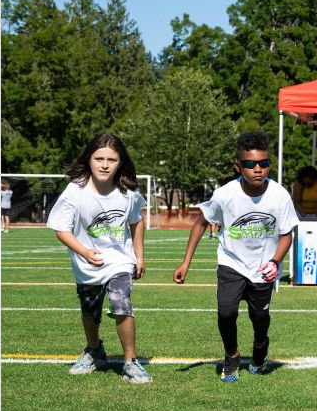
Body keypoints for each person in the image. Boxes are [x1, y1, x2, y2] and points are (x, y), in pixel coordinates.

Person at [173, 131, 298, 383]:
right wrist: (186, 262)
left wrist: (274, 261)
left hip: (263, 267)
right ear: (237, 166)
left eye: (264, 163)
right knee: (226, 312)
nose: (258, 169)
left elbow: (287, 235)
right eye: (250, 164)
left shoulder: (280, 195)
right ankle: (231, 355)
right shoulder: (224, 194)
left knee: (259, 318)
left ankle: (260, 346)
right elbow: (200, 224)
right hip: (231, 262)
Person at [46, 132, 150, 384]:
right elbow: (61, 228)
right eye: (99, 158)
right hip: (87, 263)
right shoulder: (75, 191)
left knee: (120, 300)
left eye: (111, 159)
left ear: (120, 163)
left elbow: (136, 222)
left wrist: (139, 256)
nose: (104, 164)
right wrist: (84, 252)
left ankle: (131, 362)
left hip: (119, 261)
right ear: (89, 160)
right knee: (90, 310)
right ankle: (94, 351)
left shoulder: (128, 193)